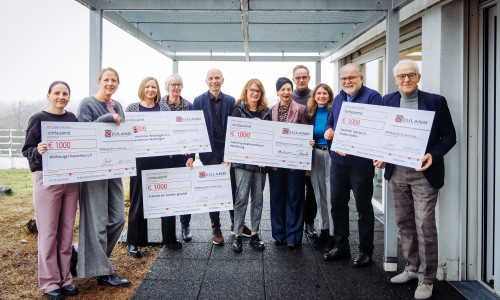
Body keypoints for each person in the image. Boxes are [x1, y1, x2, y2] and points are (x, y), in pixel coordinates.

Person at [373, 59, 456, 300]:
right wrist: (379, 156)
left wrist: (434, 154)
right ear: (395, 79)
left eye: (411, 75)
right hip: (396, 172)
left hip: (424, 173)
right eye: (401, 76)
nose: (406, 80)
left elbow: (449, 136)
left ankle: (426, 278)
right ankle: (411, 268)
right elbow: (379, 135)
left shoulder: (435, 101)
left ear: (419, 77)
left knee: (424, 225)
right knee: (404, 222)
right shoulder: (386, 101)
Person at [22, 81, 80, 300]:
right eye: (57, 93)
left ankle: (66, 278)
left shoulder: (72, 118)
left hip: (71, 180)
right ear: (48, 95)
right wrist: (38, 150)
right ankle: (49, 282)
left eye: (65, 93)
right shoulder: (38, 119)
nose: (61, 97)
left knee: (66, 232)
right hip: (47, 180)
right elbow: (26, 150)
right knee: (48, 233)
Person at [323, 63, 381, 267]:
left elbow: (376, 127)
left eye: (352, 77)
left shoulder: (373, 97)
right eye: (344, 78)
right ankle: (341, 246)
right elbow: (330, 123)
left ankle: (366, 251)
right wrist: (328, 132)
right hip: (338, 161)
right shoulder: (338, 98)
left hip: (360, 162)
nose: (347, 81)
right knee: (337, 204)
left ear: (361, 78)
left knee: (363, 206)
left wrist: (354, 143)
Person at [76, 68, 130, 287]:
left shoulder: (119, 106)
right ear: (99, 82)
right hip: (94, 171)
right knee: (97, 221)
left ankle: (82, 255)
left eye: (114, 80)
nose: (110, 83)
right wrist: (108, 118)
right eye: (106, 80)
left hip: (113, 169)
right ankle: (103, 272)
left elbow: (121, 136)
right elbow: (83, 132)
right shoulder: (87, 104)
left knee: (118, 219)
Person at [125, 76, 183, 259]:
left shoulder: (163, 108)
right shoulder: (132, 108)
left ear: (158, 90)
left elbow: (172, 131)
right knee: (138, 200)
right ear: (142, 88)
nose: (151, 90)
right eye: (148, 86)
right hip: (140, 159)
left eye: (154, 87)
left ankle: (169, 238)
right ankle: (135, 241)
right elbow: (125, 134)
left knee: (166, 198)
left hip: (162, 158)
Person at [193, 68, 251, 244]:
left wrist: (232, 154)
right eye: (210, 78)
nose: (214, 81)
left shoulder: (231, 101)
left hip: (227, 152)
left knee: (233, 189)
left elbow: (236, 128)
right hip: (209, 153)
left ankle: (236, 223)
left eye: (217, 78)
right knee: (214, 191)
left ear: (222, 80)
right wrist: (194, 154)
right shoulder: (198, 101)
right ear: (206, 81)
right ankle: (216, 227)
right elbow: (194, 129)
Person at [230, 79, 270, 252]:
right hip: (242, 162)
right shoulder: (237, 110)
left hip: (261, 163)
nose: (255, 93)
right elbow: (233, 136)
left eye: (258, 91)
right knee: (241, 199)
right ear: (246, 91)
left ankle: (255, 233)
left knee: (258, 200)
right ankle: (238, 234)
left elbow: (270, 138)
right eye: (252, 90)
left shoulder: (267, 113)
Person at [269, 77, 309, 250]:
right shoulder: (270, 110)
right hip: (276, 164)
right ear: (277, 92)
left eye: (288, 89)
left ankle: (293, 236)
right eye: (282, 89)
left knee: (295, 198)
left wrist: (309, 143)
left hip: (295, 163)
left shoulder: (301, 109)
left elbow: (307, 133)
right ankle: (279, 234)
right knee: (277, 197)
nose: (286, 92)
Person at [159, 74, 195, 242]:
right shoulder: (159, 105)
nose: (176, 87)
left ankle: (185, 225)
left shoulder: (189, 106)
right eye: (173, 84)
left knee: (184, 191)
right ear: (167, 86)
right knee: (167, 193)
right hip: (164, 157)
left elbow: (194, 132)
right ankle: (168, 231)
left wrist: (192, 156)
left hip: (183, 157)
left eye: (179, 84)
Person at [307, 83, 334, 250]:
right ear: (314, 96)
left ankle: (333, 234)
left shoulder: (334, 113)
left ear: (329, 96)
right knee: (319, 195)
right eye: (319, 93)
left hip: (331, 156)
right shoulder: (311, 113)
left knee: (331, 196)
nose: (321, 96)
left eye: (325, 93)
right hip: (315, 154)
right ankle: (324, 230)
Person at [292, 65, 318, 239]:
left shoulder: (315, 97)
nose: (301, 80)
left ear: (309, 78)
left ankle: (309, 222)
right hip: (292, 153)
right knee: (295, 189)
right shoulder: (288, 96)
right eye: (297, 77)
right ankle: (295, 222)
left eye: (304, 77)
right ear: (293, 79)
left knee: (312, 189)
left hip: (313, 150)